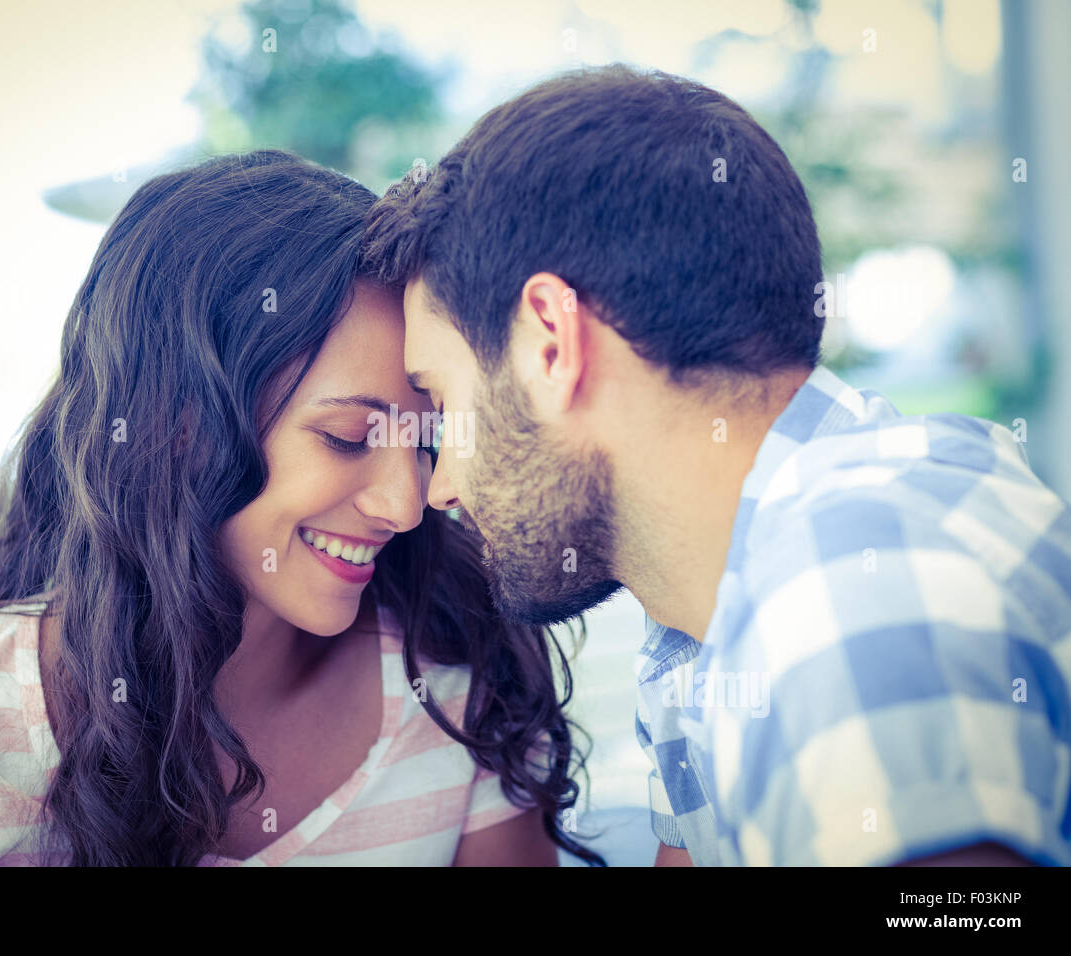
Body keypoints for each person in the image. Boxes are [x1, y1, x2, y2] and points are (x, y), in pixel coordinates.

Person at [362, 63, 1071, 867]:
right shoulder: (699, 625)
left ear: (550, 346)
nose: (441, 484)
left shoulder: (841, 587)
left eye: (442, 400)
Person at [0, 150, 601, 866]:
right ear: (176, 427)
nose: (405, 503)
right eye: (348, 437)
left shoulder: (462, 681)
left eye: (423, 439)